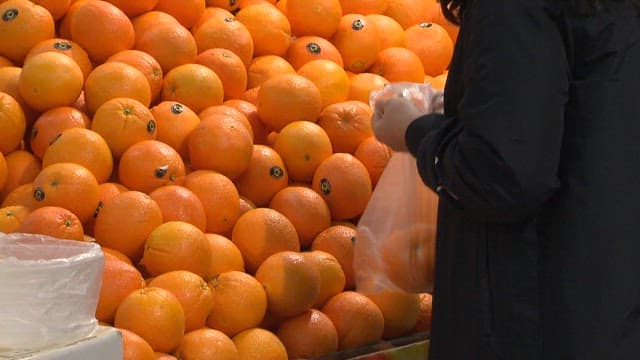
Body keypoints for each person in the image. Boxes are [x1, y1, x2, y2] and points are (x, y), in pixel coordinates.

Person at [371, 0, 640, 359]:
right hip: (603, 305)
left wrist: (415, 131)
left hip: (528, 314)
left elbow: (504, 176)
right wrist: (473, 113)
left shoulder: (510, 9)